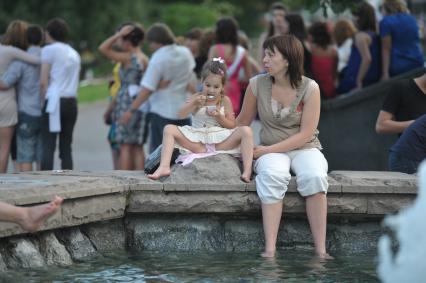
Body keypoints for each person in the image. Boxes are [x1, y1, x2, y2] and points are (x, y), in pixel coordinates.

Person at [237, 35, 330, 258]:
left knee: (315, 176)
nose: (264, 59)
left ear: (288, 59)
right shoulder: (256, 84)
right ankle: (270, 250)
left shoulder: (311, 88)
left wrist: (266, 151)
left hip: (305, 147)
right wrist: (214, 116)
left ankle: (321, 251)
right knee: (271, 175)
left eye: (271, 55)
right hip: (270, 146)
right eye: (265, 54)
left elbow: (306, 133)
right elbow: (241, 123)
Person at [147, 59, 254, 182]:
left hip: (220, 143)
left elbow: (232, 125)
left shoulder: (225, 100)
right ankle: (164, 167)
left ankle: (247, 170)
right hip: (198, 143)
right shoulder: (196, 97)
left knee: (246, 131)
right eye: (208, 85)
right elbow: (181, 114)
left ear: (222, 86)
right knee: (168, 129)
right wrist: (193, 103)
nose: (211, 90)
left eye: (216, 87)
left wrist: (219, 117)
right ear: (202, 82)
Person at [120, 23, 196, 153]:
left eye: (151, 43)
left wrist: (131, 110)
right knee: (184, 154)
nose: (150, 47)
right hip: (184, 111)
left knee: (160, 154)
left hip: (162, 112)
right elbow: (190, 77)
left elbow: (147, 89)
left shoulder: (158, 58)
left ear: (156, 42)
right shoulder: (185, 53)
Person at [99, 23, 148, 170]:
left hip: (125, 102)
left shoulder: (127, 58)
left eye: (121, 39)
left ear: (127, 41)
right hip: (140, 103)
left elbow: (103, 48)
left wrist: (118, 34)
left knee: (125, 145)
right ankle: (141, 180)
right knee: (138, 146)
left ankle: (124, 179)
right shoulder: (144, 59)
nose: (119, 43)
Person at [0, 25, 44, 172]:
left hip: (25, 111)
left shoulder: (17, 61)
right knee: (39, 154)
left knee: (23, 153)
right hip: (39, 110)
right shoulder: (45, 57)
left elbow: (6, 82)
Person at [40, 18, 81, 170]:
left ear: (49, 33)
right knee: (66, 146)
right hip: (71, 101)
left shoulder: (48, 50)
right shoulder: (74, 53)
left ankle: (46, 180)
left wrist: (42, 101)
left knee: (48, 145)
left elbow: (43, 81)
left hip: (54, 102)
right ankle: (67, 179)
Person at [208, 17, 252, 116]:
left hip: (217, 89)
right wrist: (235, 80)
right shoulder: (242, 52)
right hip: (235, 91)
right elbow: (248, 77)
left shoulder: (215, 49)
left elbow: (209, 72)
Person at [337, 2, 381, 94]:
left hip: (356, 79)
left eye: (354, 16)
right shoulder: (374, 35)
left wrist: (359, 81)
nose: (352, 19)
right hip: (372, 77)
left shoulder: (360, 36)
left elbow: (367, 59)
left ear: (359, 18)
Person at [380, 0, 424, 80]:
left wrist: (385, 73)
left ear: (387, 8)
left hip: (399, 65)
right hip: (417, 61)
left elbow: (386, 48)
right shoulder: (412, 19)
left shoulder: (385, 22)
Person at [308, 22, 337, 99]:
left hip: (317, 86)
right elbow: (334, 72)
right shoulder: (333, 51)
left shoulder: (311, 49)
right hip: (330, 85)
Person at [285, 13, 312, 78]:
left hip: (299, 78)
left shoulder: (294, 42)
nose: (282, 25)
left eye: (285, 23)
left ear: (292, 25)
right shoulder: (303, 40)